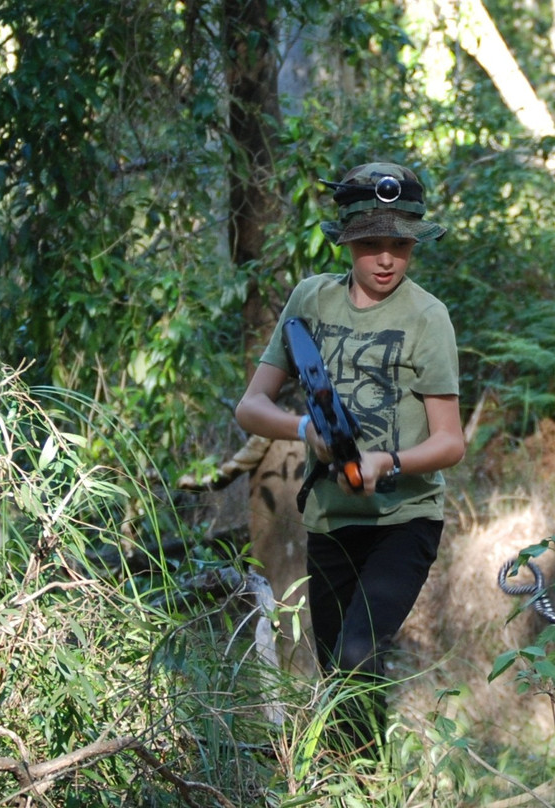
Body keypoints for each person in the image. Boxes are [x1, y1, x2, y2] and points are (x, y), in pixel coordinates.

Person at [234, 161, 466, 757]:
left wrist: (389, 460)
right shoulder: (310, 301)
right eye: (371, 245)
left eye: (400, 245)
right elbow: (252, 409)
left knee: (359, 652)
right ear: (346, 241)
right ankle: (360, 783)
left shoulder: (426, 316)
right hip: (330, 521)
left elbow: (450, 443)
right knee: (341, 678)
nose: (386, 259)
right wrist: (305, 426)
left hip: (403, 522)